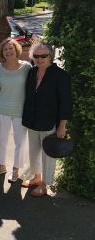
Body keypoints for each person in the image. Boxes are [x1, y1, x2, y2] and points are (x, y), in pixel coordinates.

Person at [22, 42, 72, 197]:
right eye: (36, 56)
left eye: (43, 56)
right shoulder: (31, 72)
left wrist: (62, 125)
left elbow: (66, 102)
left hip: (50, 122)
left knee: (48, 155)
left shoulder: (60, 75)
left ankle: (45, 184)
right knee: (33, 152)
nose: (39, 59)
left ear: (50, 55)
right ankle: (36, 178)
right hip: (32, 120)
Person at [0, 38, 31, 182]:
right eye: (5, 49)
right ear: (2, 52)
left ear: (16, 49)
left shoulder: (27, 67)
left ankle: (16, 169)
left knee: (20, 142)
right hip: (2, 110)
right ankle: (1, 166)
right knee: (2, 140)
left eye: (10, 48)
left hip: (21, 110)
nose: (8, 51)